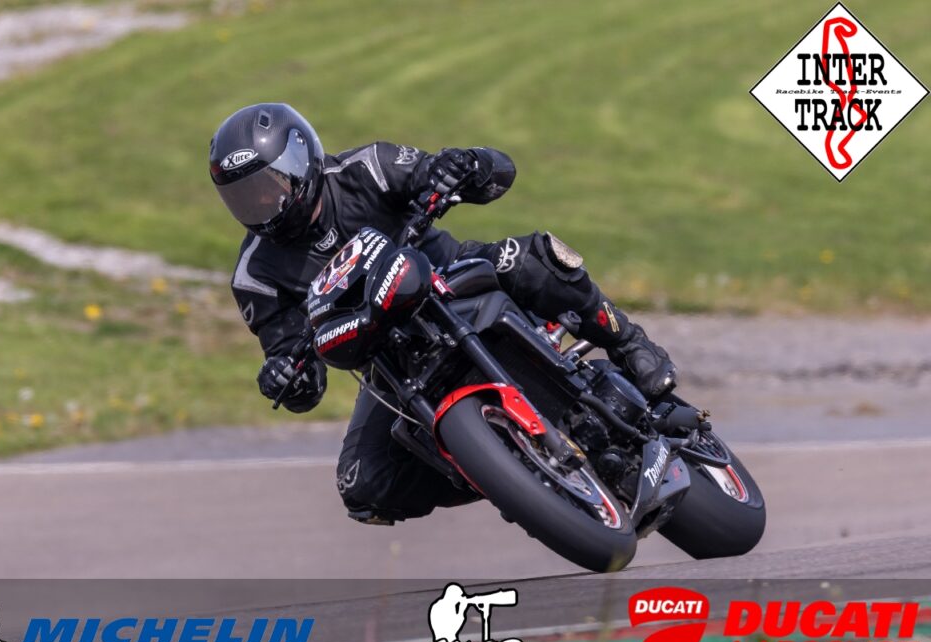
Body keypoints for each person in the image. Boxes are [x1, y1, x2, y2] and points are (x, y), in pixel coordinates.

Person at [210, 103, 676, 524]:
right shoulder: (255, 276)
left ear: (300, 159)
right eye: (244, 197)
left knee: (529, 258)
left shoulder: (367, 168)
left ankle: (629, 342)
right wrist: (286, 377)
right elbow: (299, 370)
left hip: (453, 278)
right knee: (363, 485)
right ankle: (502, 475)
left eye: (268, 187)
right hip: (391, 365)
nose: (261, 204)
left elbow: (498, 172)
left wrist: (464, 165)